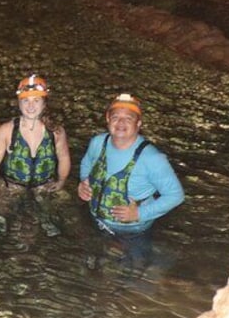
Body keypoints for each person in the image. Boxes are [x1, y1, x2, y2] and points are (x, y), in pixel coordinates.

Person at [77, 93, 185, 236]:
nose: (121, 123)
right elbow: (87, 163)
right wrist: (84, 182)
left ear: (138, 123)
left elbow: (175, 195)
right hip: (95, 219)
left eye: (128, 118)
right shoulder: (97, 142)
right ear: (108, 119)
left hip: (132, 231)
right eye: (115, 117)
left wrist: (139, 213)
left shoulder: (152, 158)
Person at [0, 74, 71, 198]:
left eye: (36, 100)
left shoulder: (56, 131)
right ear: (19, 103)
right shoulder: (7, 130)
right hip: (12, 186)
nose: (31, 106)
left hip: (44, 186)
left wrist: (62, 181)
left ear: (44, 104)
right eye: (26, 101)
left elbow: (64, 158)